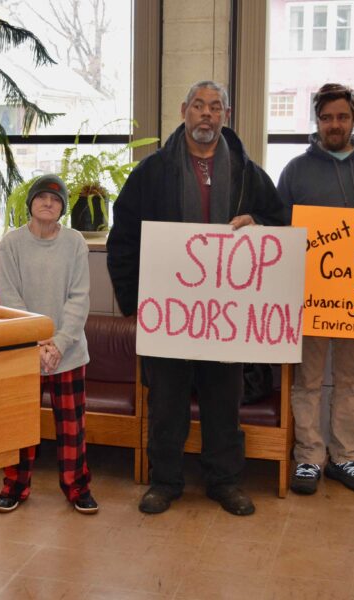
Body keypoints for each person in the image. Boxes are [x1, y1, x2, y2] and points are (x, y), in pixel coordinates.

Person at [107, 81, 284, 517]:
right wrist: (134, 302)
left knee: (224, 401)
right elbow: (124, 237)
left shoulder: (247, 172)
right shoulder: (152, 172)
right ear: (184, 110)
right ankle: (165, 482)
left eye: (216, 107)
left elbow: (281, 223)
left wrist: (257, 224)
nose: (207, 114)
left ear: (226, 115)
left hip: (226, 314)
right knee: (166, 400)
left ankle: (225, 482)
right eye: (199, 106)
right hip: (170, 313)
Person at [278, 83, 354, 495]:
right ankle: (309, 458)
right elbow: (280, 231)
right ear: (317, 121)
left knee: (351, 381)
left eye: (342, 117)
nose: (335, 124)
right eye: (327, 117)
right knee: (307, 381)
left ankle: (345, 457)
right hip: (311, 295)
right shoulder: (296, 170)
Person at [0, 174, 98, 515]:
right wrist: (37, 342)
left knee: (71, 426)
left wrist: (59, 344)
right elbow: (10, 297)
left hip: (67, 352)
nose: (48, 203)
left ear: (63, 208)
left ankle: (76, 486)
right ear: (31, 203)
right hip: (25, 349)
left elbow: (79, 298)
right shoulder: (11, 244)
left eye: (55, 199)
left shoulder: (75, 242)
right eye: (42, 197)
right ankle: (15, 486)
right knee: (21, 424)